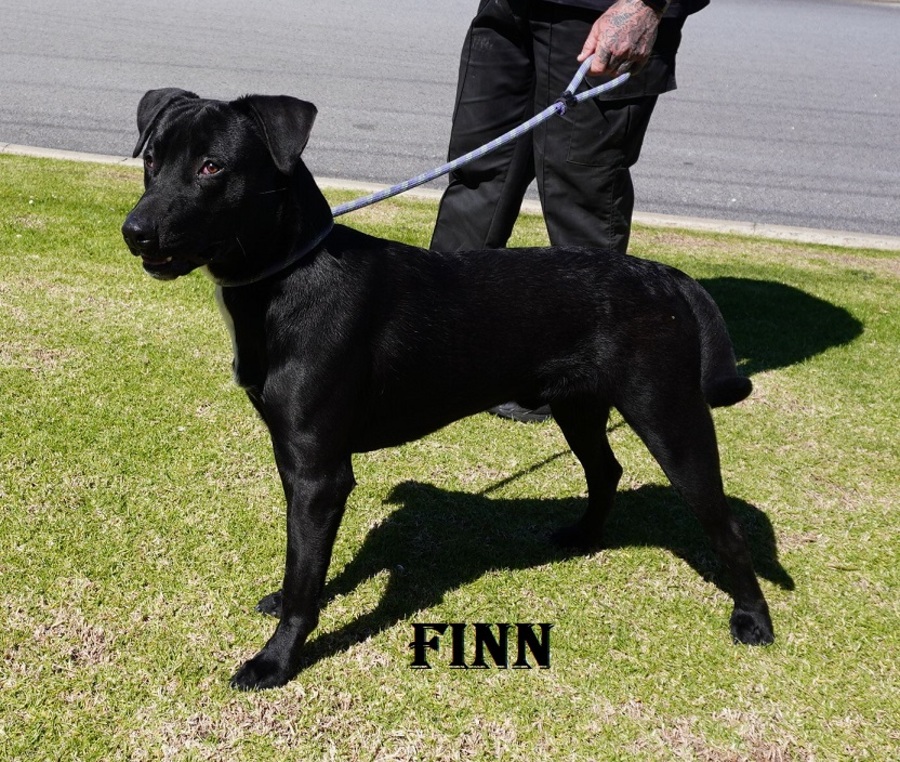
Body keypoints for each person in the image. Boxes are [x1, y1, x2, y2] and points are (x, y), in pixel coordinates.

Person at [430, 0, 709, 422]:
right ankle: (439, 353)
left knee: (581, 195)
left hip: (602, 15)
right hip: (508, 9)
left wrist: (645, 6)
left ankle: (579, 372)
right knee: (478, 175)